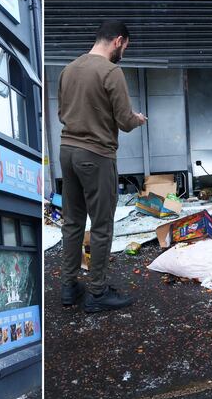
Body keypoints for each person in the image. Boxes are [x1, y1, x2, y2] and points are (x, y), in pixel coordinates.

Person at [58, 20, 146, 313]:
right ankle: (96, 292)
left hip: (67, 151)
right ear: (118, 41)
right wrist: (137, 118)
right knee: (101, 225)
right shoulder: (111, 72)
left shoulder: (69, 69)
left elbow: (62, 113)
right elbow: (124, 120)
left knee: (72, 221)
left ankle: (69, 287)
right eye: (125, 47)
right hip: (96, 155)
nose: (124, 53)